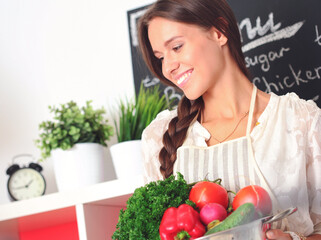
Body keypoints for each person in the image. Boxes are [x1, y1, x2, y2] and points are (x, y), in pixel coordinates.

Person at [138, 0, 321, 239]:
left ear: (218, 32)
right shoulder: (158, 137)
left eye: (177, 47)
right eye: (160, 57)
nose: (168, 67)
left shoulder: (301, 121)